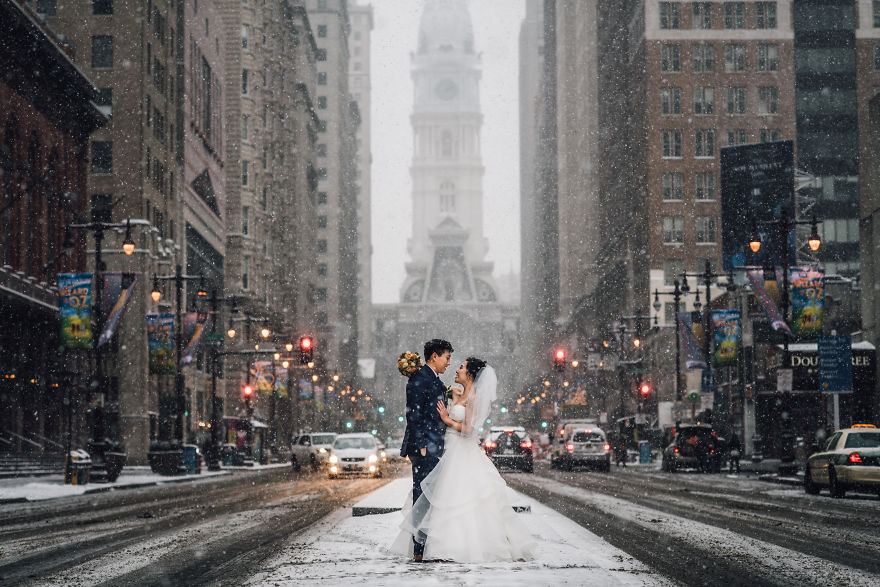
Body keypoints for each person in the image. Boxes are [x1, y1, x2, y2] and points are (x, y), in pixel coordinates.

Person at [392, 357, 536, 563]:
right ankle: (439, 544)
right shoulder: (457, 392)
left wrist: (446, 419)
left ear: (470, 374)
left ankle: (466, 544)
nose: (456, 369)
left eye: (461, 367)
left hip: (461, 449)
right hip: (447, 449)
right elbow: (434, 392)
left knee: (463, 496)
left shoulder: (474, 396)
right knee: (444, 496)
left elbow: (468, 429)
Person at [399, 339, 453, 562]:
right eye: (446, 358)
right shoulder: (419, 379)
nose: (448, 363)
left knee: (431, 495)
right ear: (434, 356)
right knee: (423, 496)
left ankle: (427, 544)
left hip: (434, 446)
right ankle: (419, 549)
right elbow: (414, 414)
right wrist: (421, 445)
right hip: (424, 448)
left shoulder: (433, 378)